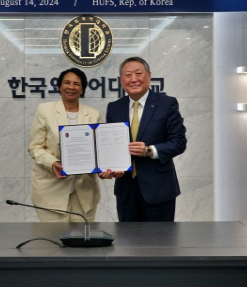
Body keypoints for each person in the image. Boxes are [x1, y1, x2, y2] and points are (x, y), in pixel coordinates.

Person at [102, 56, 187, 222]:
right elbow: (110, 147)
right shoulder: (114, 108)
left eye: (138, 73)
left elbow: (178, 142)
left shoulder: (166, 104)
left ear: (149, 76)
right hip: (125, 190)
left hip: (159, 189)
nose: (133, 79)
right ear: (121, 80)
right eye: (128, 75)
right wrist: (108, 169)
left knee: (159, 243)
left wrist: (149, 150)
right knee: (128, 243)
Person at [28, 68, 102, 222]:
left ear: (82, 89)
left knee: (82, 241)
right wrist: (53, 162)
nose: (71, 87)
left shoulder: (93, 114)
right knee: (54, 241)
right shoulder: (45, 110)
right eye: (67, 82)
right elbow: (35, 147)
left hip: (84, 192)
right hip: (50, 190)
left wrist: (105, 167)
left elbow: (99, 150)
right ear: (60, 86)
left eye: (76, 84)